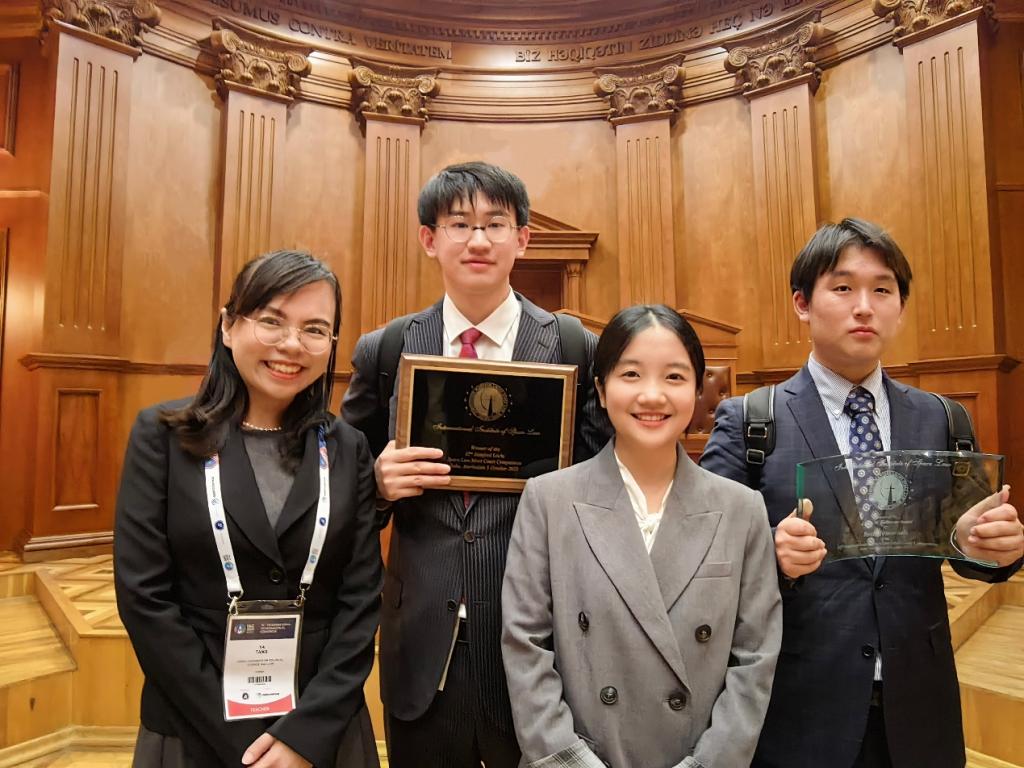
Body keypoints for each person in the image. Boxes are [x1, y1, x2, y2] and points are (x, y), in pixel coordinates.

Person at [701, 218, 1024, 768]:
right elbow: (704, 558)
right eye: (843, 287)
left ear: (900, 306)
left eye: (883, 290)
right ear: (802, 303)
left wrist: (992, 547)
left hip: (919, 706)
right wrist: (770, 555)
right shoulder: (751, 421)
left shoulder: (943, 419)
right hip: (799, 708)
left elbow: (968, 549)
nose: (865, 307)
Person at [341, 161, 611, 768]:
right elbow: (338, 492)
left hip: (540, 642)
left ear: (523, 238)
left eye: (496, 223)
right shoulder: (387, 349)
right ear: (429, 239)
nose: (479, 240)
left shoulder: (574, 347)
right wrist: (377, 486)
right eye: (459, 224)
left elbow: (605, 484)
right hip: (421, 644)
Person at [115, 251, 382, 768]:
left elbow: (360, 602)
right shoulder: (161, 437)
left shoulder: (347, 448)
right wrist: (243, 744)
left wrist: (305, 736)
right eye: (271, 321)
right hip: (194, 726)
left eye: (314, 329)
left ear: (331, 344)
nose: (291, 344)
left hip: (320, 732)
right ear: (228, 326)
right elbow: (144, 598)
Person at [501, 304, 782, 768]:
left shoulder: (741, 508)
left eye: (674, 377)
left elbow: (755, 658)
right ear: (600, 388)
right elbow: (525, 644)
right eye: (631, 374)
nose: (652, 395)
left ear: (697, 389)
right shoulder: (549, 500)